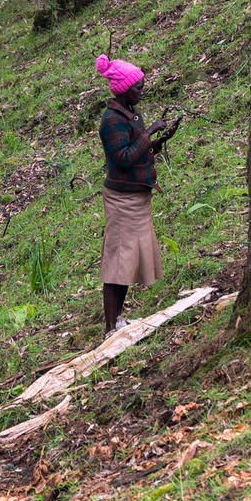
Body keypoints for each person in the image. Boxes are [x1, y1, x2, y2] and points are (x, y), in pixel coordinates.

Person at [95, 55, 179, 336]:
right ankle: (109, 328)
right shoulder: (112, 120)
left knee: (127, 263)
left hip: (137, 197)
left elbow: (139, 151)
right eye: (138, 88)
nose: (143, 92)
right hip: (121, 200)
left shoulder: (131, 112)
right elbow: (123, 158)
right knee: (117, 261)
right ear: (123, 89)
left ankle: (118, 320)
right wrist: (150, 131)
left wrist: (159, 140)